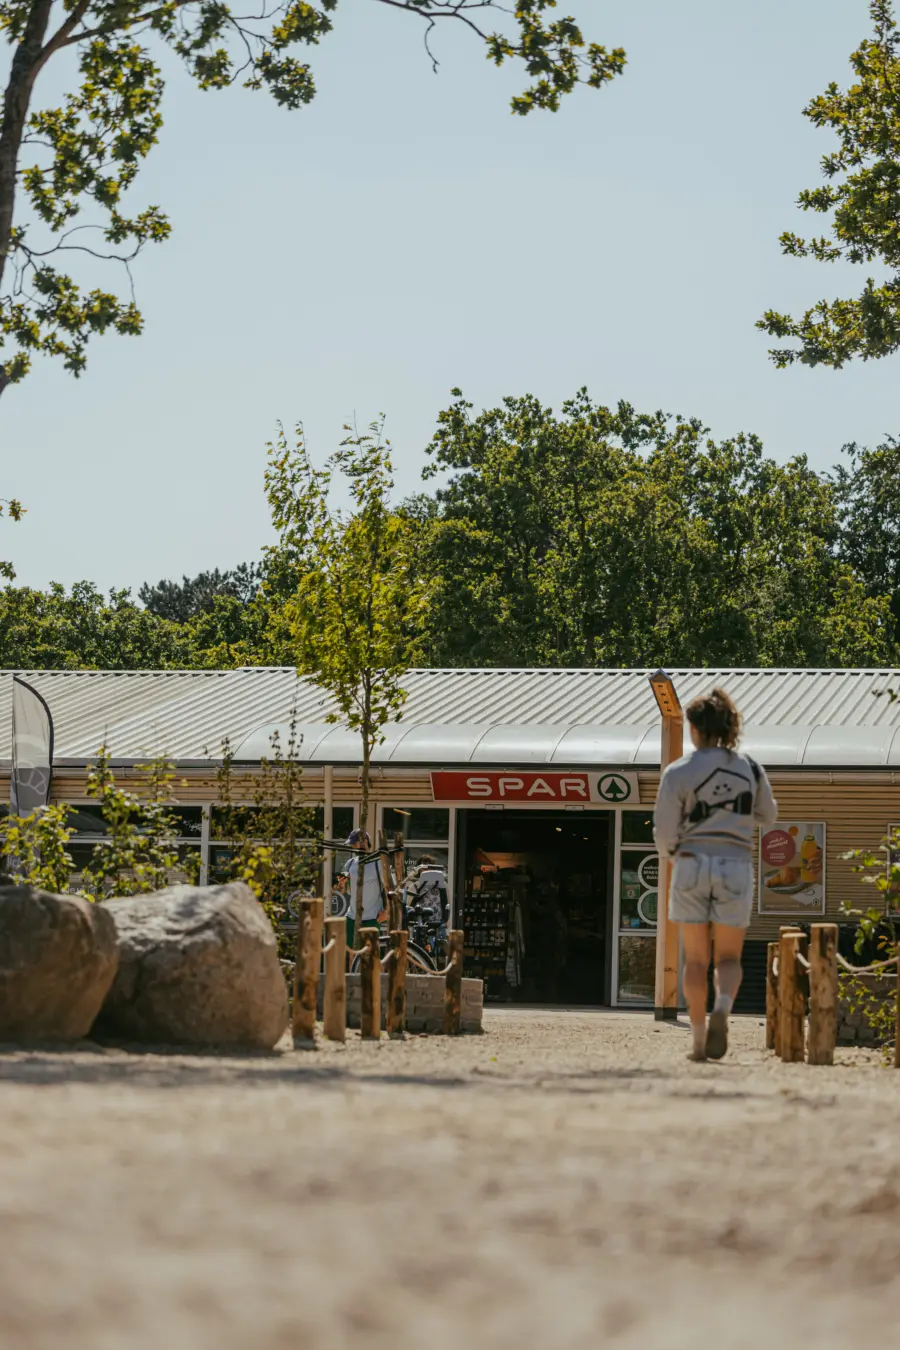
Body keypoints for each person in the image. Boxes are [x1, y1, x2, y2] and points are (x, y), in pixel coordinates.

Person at [653, 688, 778, 1062]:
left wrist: (674, 853)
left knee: (695, 960)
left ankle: (696, 1039)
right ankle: (722, 1005)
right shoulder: (751, 768)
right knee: (728, 958)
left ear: (692, 728)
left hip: (691, 862)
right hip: (735, 863)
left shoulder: (678, 771)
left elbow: (663, 830)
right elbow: (768, 815)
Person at [341, 830, 386, 946]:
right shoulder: (350, 863)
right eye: (352, 844)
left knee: (370, 955)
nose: (353, 847)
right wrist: (342, 884)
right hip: (352, 916)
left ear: (365, 842)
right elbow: (344, 890)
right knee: (351, 954)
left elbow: (390, 888)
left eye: (355, 843)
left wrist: (387, 912)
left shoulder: (378, 862)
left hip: (372, 917)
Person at [402, 854, 449, 949]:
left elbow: (448, 904)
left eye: (429, 867)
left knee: (441, 955)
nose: (427, 871)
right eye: (424, 868)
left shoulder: (443, 885)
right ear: (419, 870)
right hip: (419, 924)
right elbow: (408, 907)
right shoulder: (414, 886)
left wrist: (448, 924)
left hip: (438, 925)